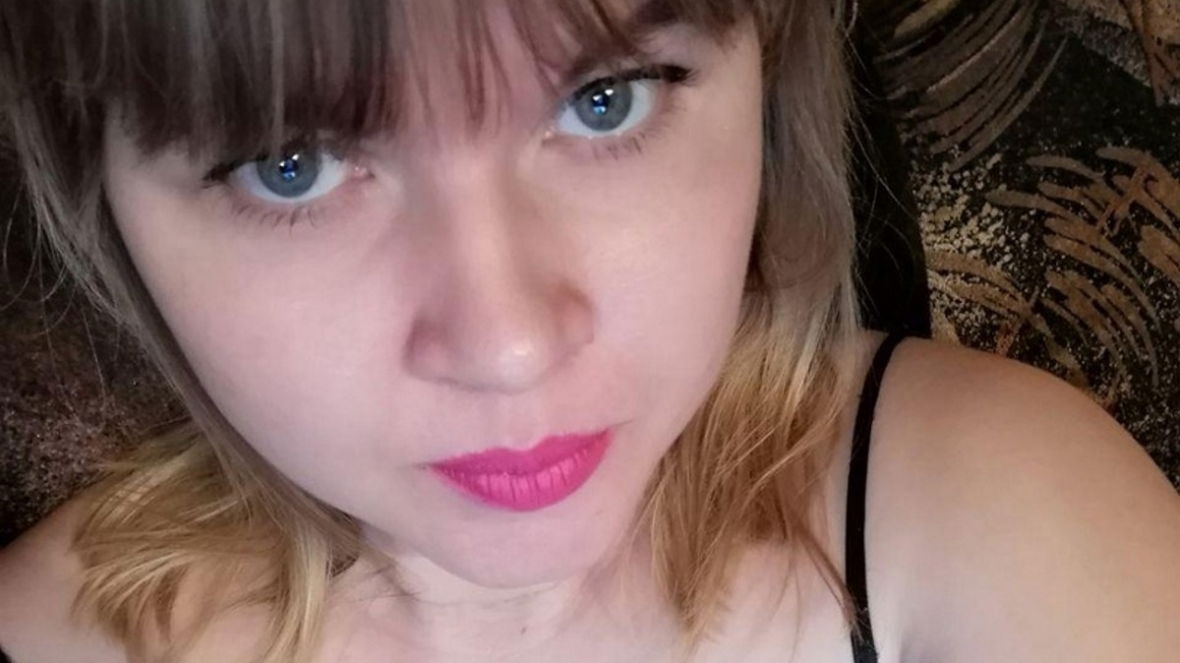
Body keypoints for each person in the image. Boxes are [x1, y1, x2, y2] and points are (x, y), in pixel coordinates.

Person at [0, 1, 1177, 662]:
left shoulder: (988, 511)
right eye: (290, 165)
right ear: (106, 209)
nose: (507, 346)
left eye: (603, 100)